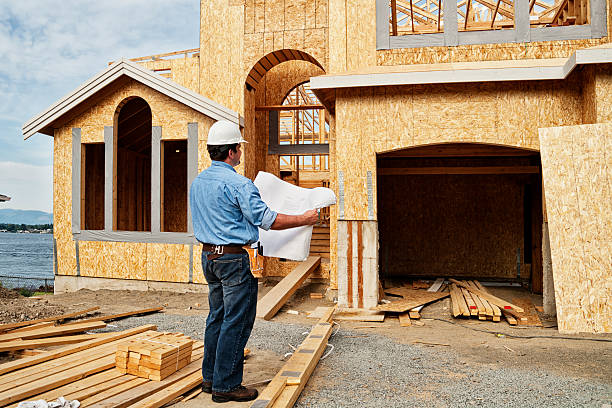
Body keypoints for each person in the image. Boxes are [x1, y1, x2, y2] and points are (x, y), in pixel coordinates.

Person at [189, 120, 319, 403]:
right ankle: (226, 386)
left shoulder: (198, 182)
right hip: (235, 260)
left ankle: (210, 379)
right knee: (236, 321)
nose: (240, 153)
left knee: (217, 317)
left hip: (209, 257)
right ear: (233, 151)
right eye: (239, 148)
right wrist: (304, 219)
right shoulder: (238, 183)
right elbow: (267, 220)